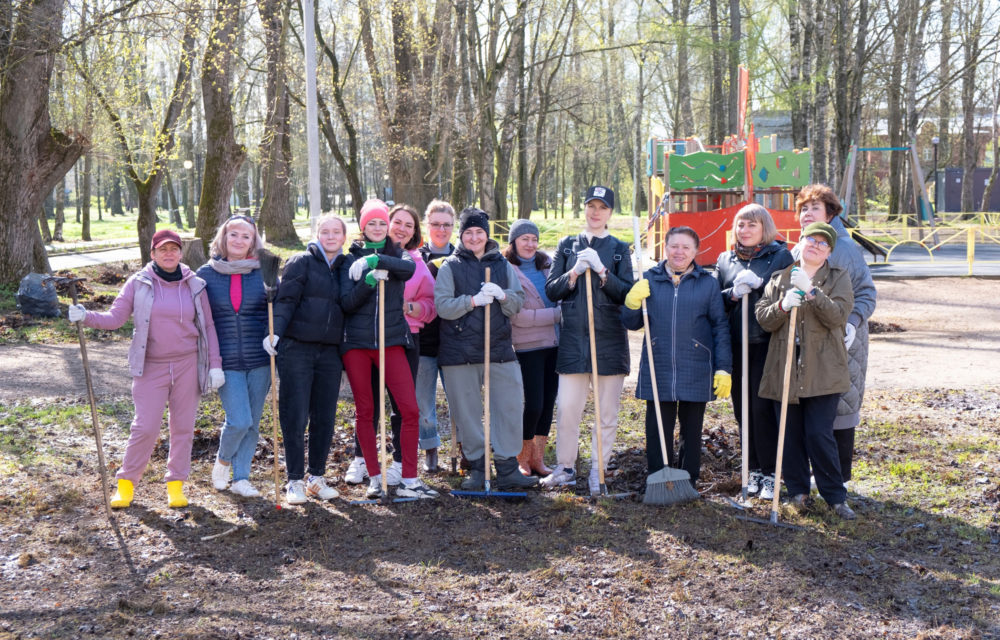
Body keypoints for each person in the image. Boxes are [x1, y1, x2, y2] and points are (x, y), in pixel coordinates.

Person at [68, 229, 224, 509]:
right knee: (145, 427)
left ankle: (175, 485)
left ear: (181, 253)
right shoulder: (138, 283)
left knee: (183, 428)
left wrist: (215, 365)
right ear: (152, 253)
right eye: (163, 249)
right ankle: (126, 484)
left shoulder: (195, 284)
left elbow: (208, 327)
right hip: (151, 365)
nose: (169, 253)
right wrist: (85, 316)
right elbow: (115, 318)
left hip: (188, 364)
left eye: (174, 248)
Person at [756, 221, 857, 519]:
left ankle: (835, 497)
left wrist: (811, 291)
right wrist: (783, 305)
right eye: (810, 240)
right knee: (789, 434)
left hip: (824, 368)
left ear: (829, 252)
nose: (815, 246)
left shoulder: (839, 278)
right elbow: (763, 318)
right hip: (785, 365)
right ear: (800, 243)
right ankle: (798, 492)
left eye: (822, 243)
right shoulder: (779, 278)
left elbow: (837, 316)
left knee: (818, 434)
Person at [341, 199, 438, 500]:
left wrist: (377, 261)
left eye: (382, 222)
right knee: (366, 410)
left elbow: (407, 269)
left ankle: (409, 479)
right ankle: (373, 477)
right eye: (371, 223)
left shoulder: (399, 255)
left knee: (409, 409)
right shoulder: (349, 258)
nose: (378, 227)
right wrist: (368, 281)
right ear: (363, 226)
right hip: (357, 346)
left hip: (392, 341)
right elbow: (347, 303)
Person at [434, 207, 536, 491]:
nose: (474, 237)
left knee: (509, 408)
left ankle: (507, 468)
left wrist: (502, 295)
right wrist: (473, 301)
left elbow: (517, 302)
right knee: (467, 413)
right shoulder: (450, 267)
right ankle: (478, 468)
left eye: (479, 232)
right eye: (468, 232)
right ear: (461, 235)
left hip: (499, 349)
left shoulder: (502, 265)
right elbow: (443, 307)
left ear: (487, 235)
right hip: (459, 353)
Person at [623, 226, 732, 493]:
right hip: (658, 364)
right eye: (674, 246)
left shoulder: (707, 283)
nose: (679, 252)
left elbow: (720, 326)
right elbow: (631, 323)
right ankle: (659, 480)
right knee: (657, 428)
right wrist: (631, 303)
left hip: (696, 365)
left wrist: (723, 368)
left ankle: (687, 481)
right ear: (665, 248)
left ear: (695, 252)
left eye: (686, 247)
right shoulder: (649, 279)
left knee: (692, 430)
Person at [540, 186, 634, 495]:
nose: (596, 212)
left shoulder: (619, 249)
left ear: (610, 212)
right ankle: (566, 467)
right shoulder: (567, 246)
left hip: (609, 341)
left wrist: (603, 270)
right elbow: (552, 290)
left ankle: (598, 470)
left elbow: (627, 294)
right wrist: (574, 273)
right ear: (584, 209)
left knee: (606, 413)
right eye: (591, 206)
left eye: (602, 207)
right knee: (567, 408)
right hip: (573, 343)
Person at [792, 184, 876, 490]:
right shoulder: (800, 247)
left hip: (843, 339)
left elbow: (866, 292)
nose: (807, 213)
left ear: (830, 214)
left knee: (841, 404)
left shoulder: (844, 248)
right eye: (803, 208)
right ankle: (818, 473)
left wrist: (852, 323)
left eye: (815, 208)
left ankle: (839, 477)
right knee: (813, 404)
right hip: (809, 339)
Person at [265, 214, 349, 505]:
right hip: (297, 349)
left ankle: (316, 477)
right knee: (295, 415)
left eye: (336, 232)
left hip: (330, 352)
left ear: (344, 237)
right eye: (325, 231)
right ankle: (295, 480)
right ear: (317, 234)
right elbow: (286, 300)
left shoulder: (346, 267)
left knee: (324, 416)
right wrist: (274, 332)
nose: (330, 236)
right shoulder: (301, 261)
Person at [715, 204, 794, 500]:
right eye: (740, 225)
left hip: (765, 343)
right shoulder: (725, 260)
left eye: (752, 225)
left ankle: (771, 472)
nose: (745, 230)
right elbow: (714, 300)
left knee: (761, 409)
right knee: (742, 410)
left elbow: (785, 293)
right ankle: (752, 469)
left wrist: (761, 287)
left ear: (764, 228)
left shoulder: (780, 256)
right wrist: (733, 294)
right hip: (736, 344)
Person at [197, 216, 270, 498]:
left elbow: (277, 308)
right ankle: (223, 461)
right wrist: (208, 361)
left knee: (253, 423)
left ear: (253, 242)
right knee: (239, 420)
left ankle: (241, 478)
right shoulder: (206, 274)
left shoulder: (265, 271)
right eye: (234, 234)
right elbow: (199, 319)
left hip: (260, 358)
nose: (239, 240)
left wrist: (273, 334)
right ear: (223, 237)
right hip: (225, 360)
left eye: (246, 236)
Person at [503, 219, 559, 476]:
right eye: (524, 239)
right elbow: (518, 317)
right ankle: (522, 458)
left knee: (548, 403)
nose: (530, 244)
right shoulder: (508, 270)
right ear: (513, 242)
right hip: (528, 346)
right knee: (534, 404)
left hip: (555, 344)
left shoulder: (548, 265)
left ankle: (538, 458)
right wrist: (557, 315)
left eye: (534, 239)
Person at [413, 199, 457, 473]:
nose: (441, 230)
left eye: (447, 225)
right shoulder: (416, 258)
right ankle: (430, 448)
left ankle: (463, 447)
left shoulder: (462, 255)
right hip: (425, 341)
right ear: (427, 225)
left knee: (460, 401)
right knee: (423, 403)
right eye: (436, 224)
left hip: (456, 341)